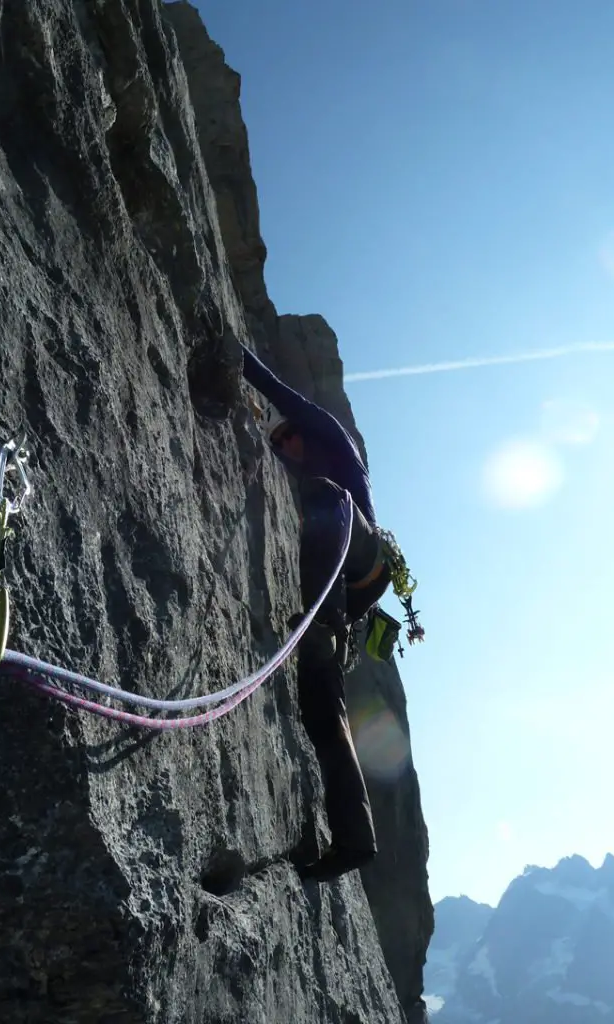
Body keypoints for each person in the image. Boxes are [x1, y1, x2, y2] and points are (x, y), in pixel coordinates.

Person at [240, 341, 415, 882]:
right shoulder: (301, 472)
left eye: (287, 436)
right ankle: (353, 840)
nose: (285, 448)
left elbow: (276, 389)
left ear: (300, 428)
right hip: (343, 587)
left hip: (362, 551)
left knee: (323, 494)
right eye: (278, 444)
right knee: (321, 705)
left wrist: (237, 354)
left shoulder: (330, 444)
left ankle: (321, 626)